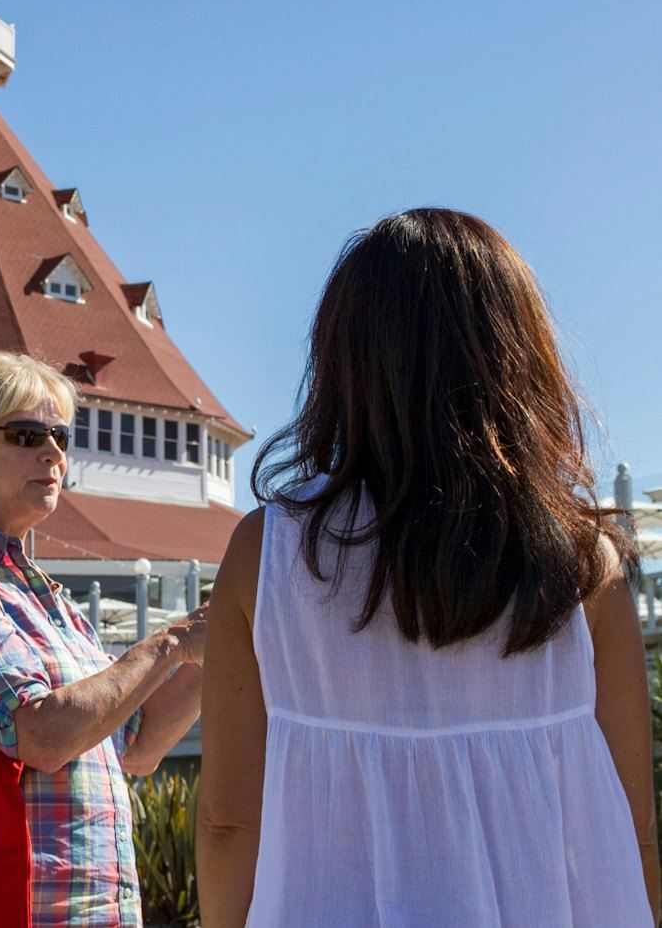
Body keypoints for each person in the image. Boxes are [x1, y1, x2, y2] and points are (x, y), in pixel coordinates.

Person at [197, 208, 659, 927]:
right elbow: (632, 831)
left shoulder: (270, 552)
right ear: (520, 354)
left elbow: (230, 823)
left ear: (346, 358)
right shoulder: (582, 561)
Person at [0, 350, 207, 927]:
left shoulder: (44, 595)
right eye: (26, 434)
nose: (54, 453)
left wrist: (225, 634)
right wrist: (169, 643)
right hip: (1, 908)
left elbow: (137, 745)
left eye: (60, 434)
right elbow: (40, 734)